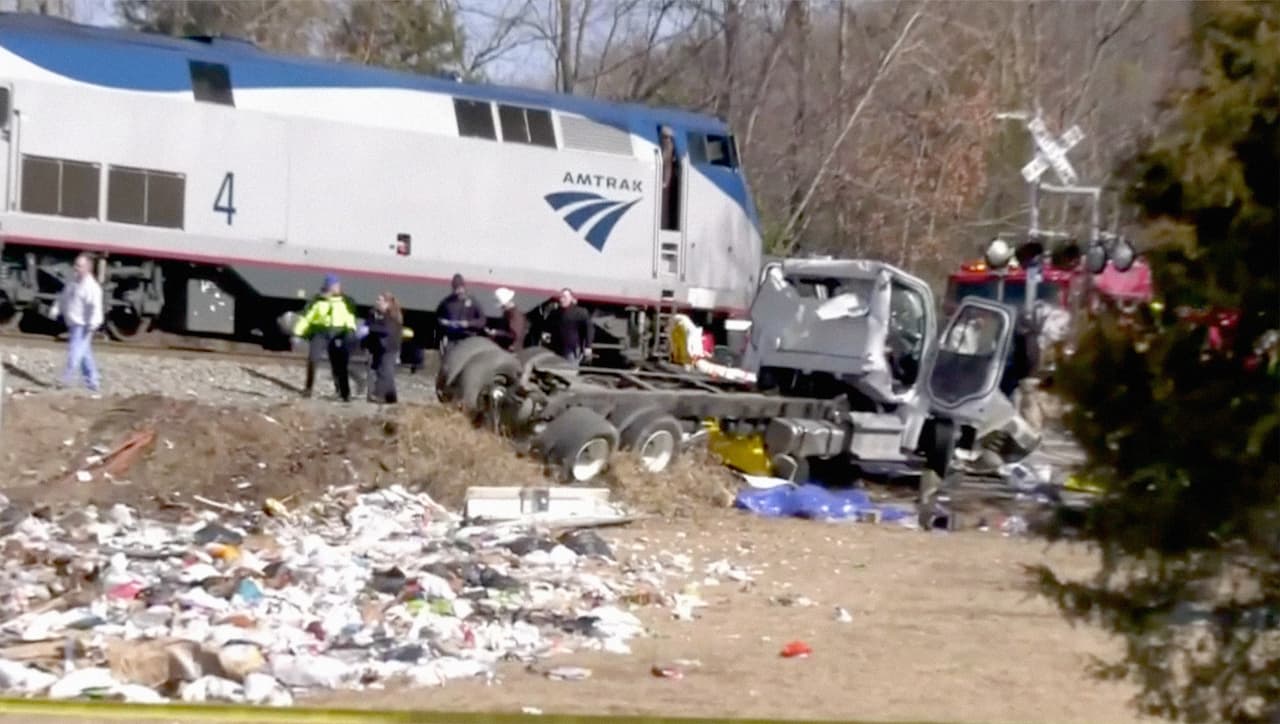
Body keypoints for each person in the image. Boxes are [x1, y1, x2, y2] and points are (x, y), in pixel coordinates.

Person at [291, 273, 358, 401]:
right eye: (335, 285)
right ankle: (308, 388)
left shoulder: (346, 301)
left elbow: (349, 317)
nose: (338, 287)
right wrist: (297, 332)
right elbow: (307, 318)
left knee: (339, 363)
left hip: (338, 332)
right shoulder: (317, 301)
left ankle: (343, 392)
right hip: (320, 332)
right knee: (313, 359)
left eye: (338, 284)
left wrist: (351, 330)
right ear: (329, 286)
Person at [53, 253, 104, 392]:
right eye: (75, 265)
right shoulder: (73, 281)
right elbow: (64, 296)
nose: (75, 268)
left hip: (84, 325)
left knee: (75, 352)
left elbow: (96, 307)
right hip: (74, 322)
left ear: (88, 268)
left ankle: (66, 378)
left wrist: (94, 323)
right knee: (84, 353)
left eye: (79, 266)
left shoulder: (92, 287)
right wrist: (57, 308)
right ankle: (93, 382)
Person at [361, 292, 402, 404]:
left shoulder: (393, 316)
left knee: (385, 372)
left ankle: (379, 395)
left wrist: (370, 329)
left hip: (389, 348)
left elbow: (386, 330)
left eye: (380, 300)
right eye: (377, 300)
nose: (377, 302)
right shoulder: (373, 313)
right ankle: (389, 397)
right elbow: (368, 325)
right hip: (376, 347)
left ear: (387, 303)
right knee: (375, 371)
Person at [436, 273, 484, 349]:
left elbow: (482, 321)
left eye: (460, 288)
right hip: (452, 338)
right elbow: (438, 317)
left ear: (464, 287)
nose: (458, 291)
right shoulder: (447, 302)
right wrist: (444, 322)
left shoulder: (472, 301)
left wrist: (468, 324)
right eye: (455, 289)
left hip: (468, 337)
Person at [550, 288, 593, 364]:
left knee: (570, 370)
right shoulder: (555, 313)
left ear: (571, 298)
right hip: (557, 348)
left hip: (573, 348)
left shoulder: (580, 312)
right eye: (561, 297)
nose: (562, 299)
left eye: (564, 297)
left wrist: (588, 346)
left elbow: (589, 329)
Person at [487, 287, 527, 351]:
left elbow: (514, 335)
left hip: (513, 352)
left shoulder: (517, 316)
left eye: (502, 306)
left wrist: (497, 333)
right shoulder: (508, 314)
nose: (501, 309)